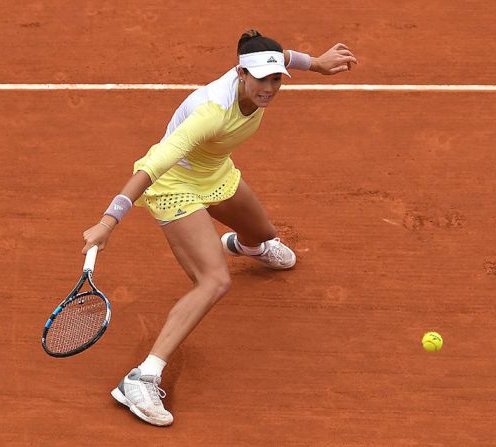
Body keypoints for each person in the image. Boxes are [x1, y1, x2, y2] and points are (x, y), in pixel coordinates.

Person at [81, 29, 357, 426]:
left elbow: (284, 56)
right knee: (214, 281)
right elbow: (152, 166)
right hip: (173, 185)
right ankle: (141, 377)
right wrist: (108, 221)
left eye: (276, 78)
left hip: (214, 173)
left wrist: (316, 62)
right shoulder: (211, 112)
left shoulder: (265, 74)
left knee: (263, 235)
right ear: (240, 73)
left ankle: (246, 247)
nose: (270, 88)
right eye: (262, 79)